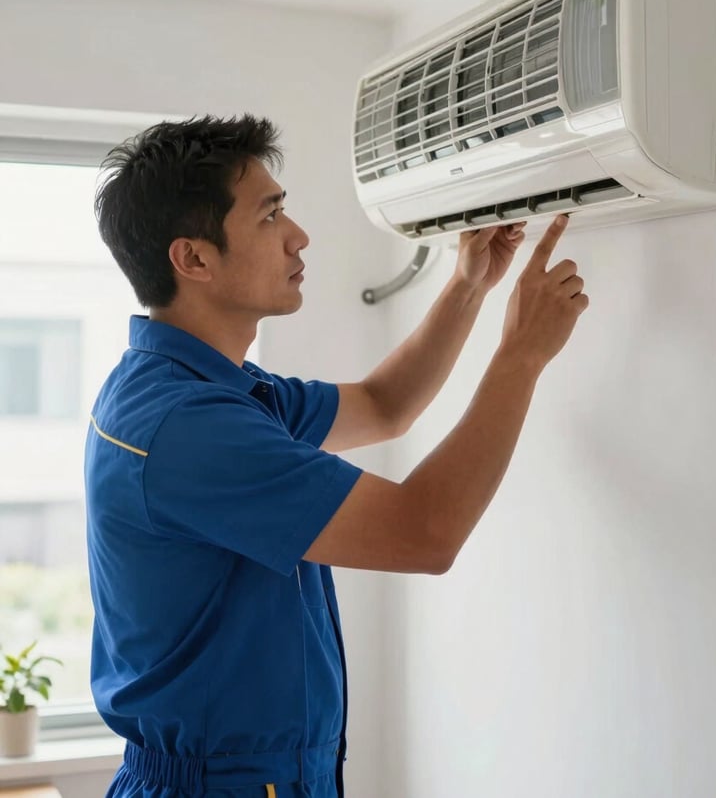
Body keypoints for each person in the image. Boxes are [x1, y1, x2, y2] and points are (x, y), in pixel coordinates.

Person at [85, 114, 588, 798]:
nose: (299, 236)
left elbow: (385, 405)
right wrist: (522, 355)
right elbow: (425, 533)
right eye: (270, 217)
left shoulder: (208, 389)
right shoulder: (189, 427)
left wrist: (469, 284)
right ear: (194, 259)